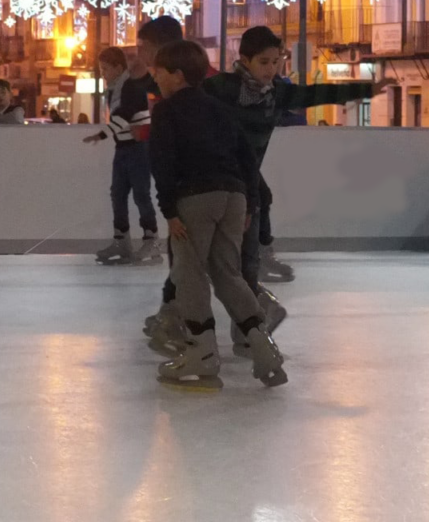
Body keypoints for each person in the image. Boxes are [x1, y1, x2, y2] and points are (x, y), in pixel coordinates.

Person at [146, 39, 286, 391]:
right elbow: (247, 158)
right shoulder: (219, 108)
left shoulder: (166, 111)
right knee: (228, 272)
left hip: (196, 198)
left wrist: (169, 210)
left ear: (176, 76)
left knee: (189, 271)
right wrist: (250, 203)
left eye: (159, 72)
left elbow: (162, 162)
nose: (155, 77)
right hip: (233, 197)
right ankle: (262, 344)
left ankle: (202, 352)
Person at [203, 26, 376, 309]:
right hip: (213, 178)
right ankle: (176, 314)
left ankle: (250, 320)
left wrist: (365, 89)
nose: (271, 69)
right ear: (245, 60)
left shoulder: (277, 92)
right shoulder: (223, 88)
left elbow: (316, 94)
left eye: (276, 61)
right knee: (199, 257)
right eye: (263, 62)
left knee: (247, 253)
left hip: (245, 179)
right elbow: (187, 101)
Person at [85, 45, 161, 265]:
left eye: (105, 69)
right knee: (117, 194)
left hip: (138, 149)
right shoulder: (116, 89)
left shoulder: (130, 88)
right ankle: (122, 240)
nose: (103, 74)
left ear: (119, 67)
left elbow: (123, 117)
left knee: (141, 195)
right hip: (124, 148)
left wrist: (101, 135)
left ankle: (151, 240)